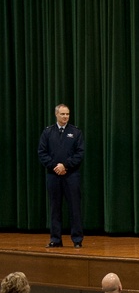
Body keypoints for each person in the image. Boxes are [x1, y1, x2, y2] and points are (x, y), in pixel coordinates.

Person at [38, 103, 85, 248]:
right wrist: (54, 166)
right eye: (63, 114)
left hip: (71, 176)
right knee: (55, 208)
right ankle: (55, 239)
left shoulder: (76, 132)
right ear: (56, 114)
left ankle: (77, 240)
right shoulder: (47, 132)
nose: (65, 117)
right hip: (53, 176)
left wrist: (65, 166)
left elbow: (80, 153)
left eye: (67, 114)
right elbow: (42, 152)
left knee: (74, 208)